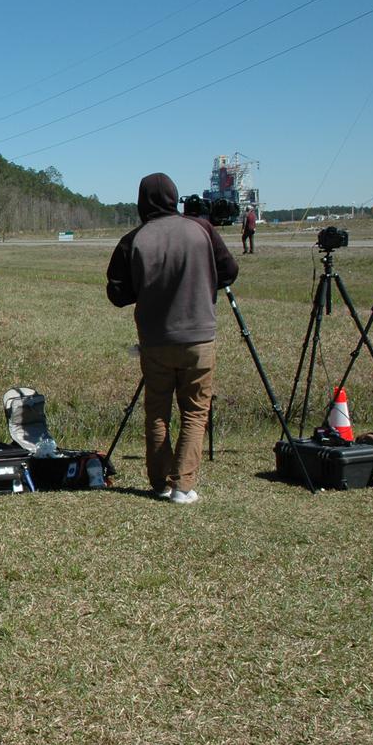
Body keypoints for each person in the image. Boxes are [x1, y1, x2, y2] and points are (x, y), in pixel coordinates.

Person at [106, 172, 239, 504]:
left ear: (142, 202)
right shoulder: (201, 229)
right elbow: (229, 271)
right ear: (174, 199)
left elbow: (117, 294)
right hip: (199, 338)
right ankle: (183, 486)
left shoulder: (134, 239)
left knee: (158, 411)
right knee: (195, 410)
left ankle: (160, 482)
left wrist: (149, 285)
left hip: (155, 340)